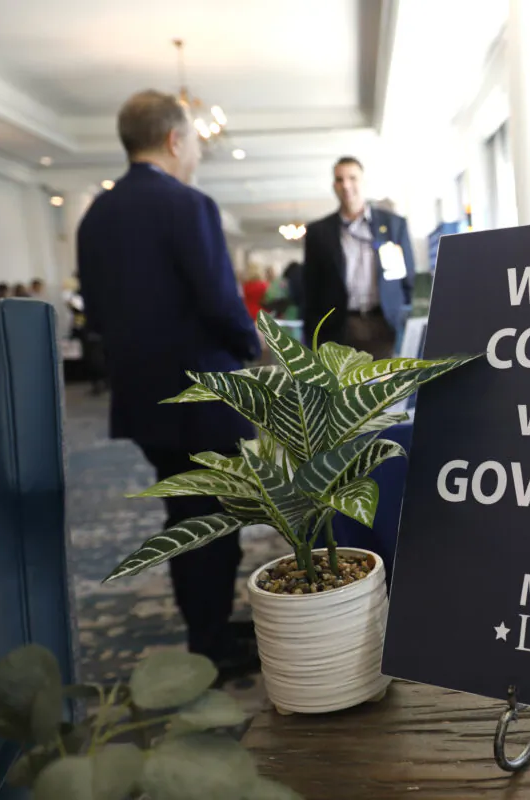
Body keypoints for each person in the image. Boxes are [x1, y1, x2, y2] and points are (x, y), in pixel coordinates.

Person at [77, 89, 261, 680]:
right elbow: (220, 302)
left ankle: (206, 630)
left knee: (185, 518)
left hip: (144, 402)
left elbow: (98, 318)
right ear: (176, 139)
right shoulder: (189, 206)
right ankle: (211, 644)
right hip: (202, 399)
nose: (197, 157)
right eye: (196, 144)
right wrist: (250, 347)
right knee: (216, 522)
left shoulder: (94, 218)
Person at [302, 157, 414, 356]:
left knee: (384, 385)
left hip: (384, 324)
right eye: (339, 179)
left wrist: (401, 316)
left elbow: (408, 280)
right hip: (338, 329)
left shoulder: (393, 225)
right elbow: (311, 288)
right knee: (342, 386)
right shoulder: (319, 232)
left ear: (363, 182)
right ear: (333, 185)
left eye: (352, 178)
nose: (346, 185)